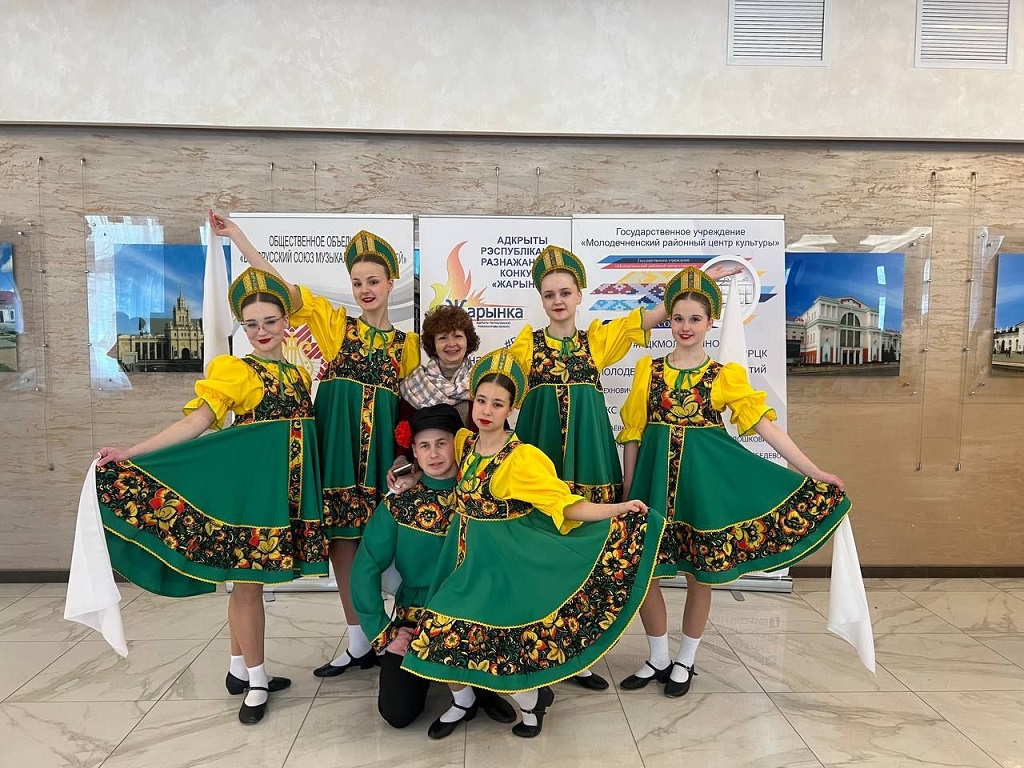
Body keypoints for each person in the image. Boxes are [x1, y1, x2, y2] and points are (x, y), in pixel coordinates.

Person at [94, 268, 328, 725]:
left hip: (281, 493)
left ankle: (239, 669)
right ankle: (257, 682)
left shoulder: (297, 372)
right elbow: (198, 421)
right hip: (251, 495)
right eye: (252, 324)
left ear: (286, 322)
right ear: (243, 328)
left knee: (245, 583)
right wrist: (133, 452)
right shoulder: (236, 369)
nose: (262, 331)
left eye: (270, 321)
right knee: (247, 586)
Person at [401, 350, 666, 738]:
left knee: (505, 644)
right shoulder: (463, 443)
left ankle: (531, 706)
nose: (486, 410)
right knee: (437, 631)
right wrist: (411, 476)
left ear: (511, 409)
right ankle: (463, 702)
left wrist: (618, 508)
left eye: (498, 404)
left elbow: (567, 504)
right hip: (463, 561)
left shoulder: (522, 458)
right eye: (481, 400)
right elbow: (438, 469)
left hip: (503, 565)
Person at [617, 266, 851, 698]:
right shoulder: (647, 371)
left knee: (700, 575)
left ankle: (685, 660)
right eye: (678, 318)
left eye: (695, 319)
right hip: (651, 489)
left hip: (703, 491)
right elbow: (633, 435)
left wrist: (812, 471)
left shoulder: (724, 375)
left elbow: (765, 426)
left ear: (710, 323)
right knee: (645, 572)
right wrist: (628, 493)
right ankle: (658, 656)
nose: (686, 326)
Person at [208, 212, 419, 678]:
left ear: (391, 283)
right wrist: (238, 237)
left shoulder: (408, 345)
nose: (365, 289)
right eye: (357, 282)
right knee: (343, 545)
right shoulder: (333, 323)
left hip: (383, 461)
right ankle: (358, 640)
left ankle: (397, 632)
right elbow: (277, 288)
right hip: (336, 453)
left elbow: (409, 409)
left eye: (374, 281)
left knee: (384, 545)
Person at [350, 403, 516, 733]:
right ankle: (446, 675)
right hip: (417, 616)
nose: (434, 454)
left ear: (458, 444)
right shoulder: (399, 501)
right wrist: (384, 633)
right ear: (413, 451)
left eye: (442, 443)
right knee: (397, 713)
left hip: (474, 614)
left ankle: (477, 689)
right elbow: (365, 566)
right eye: (424, 445)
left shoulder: (479, 494)